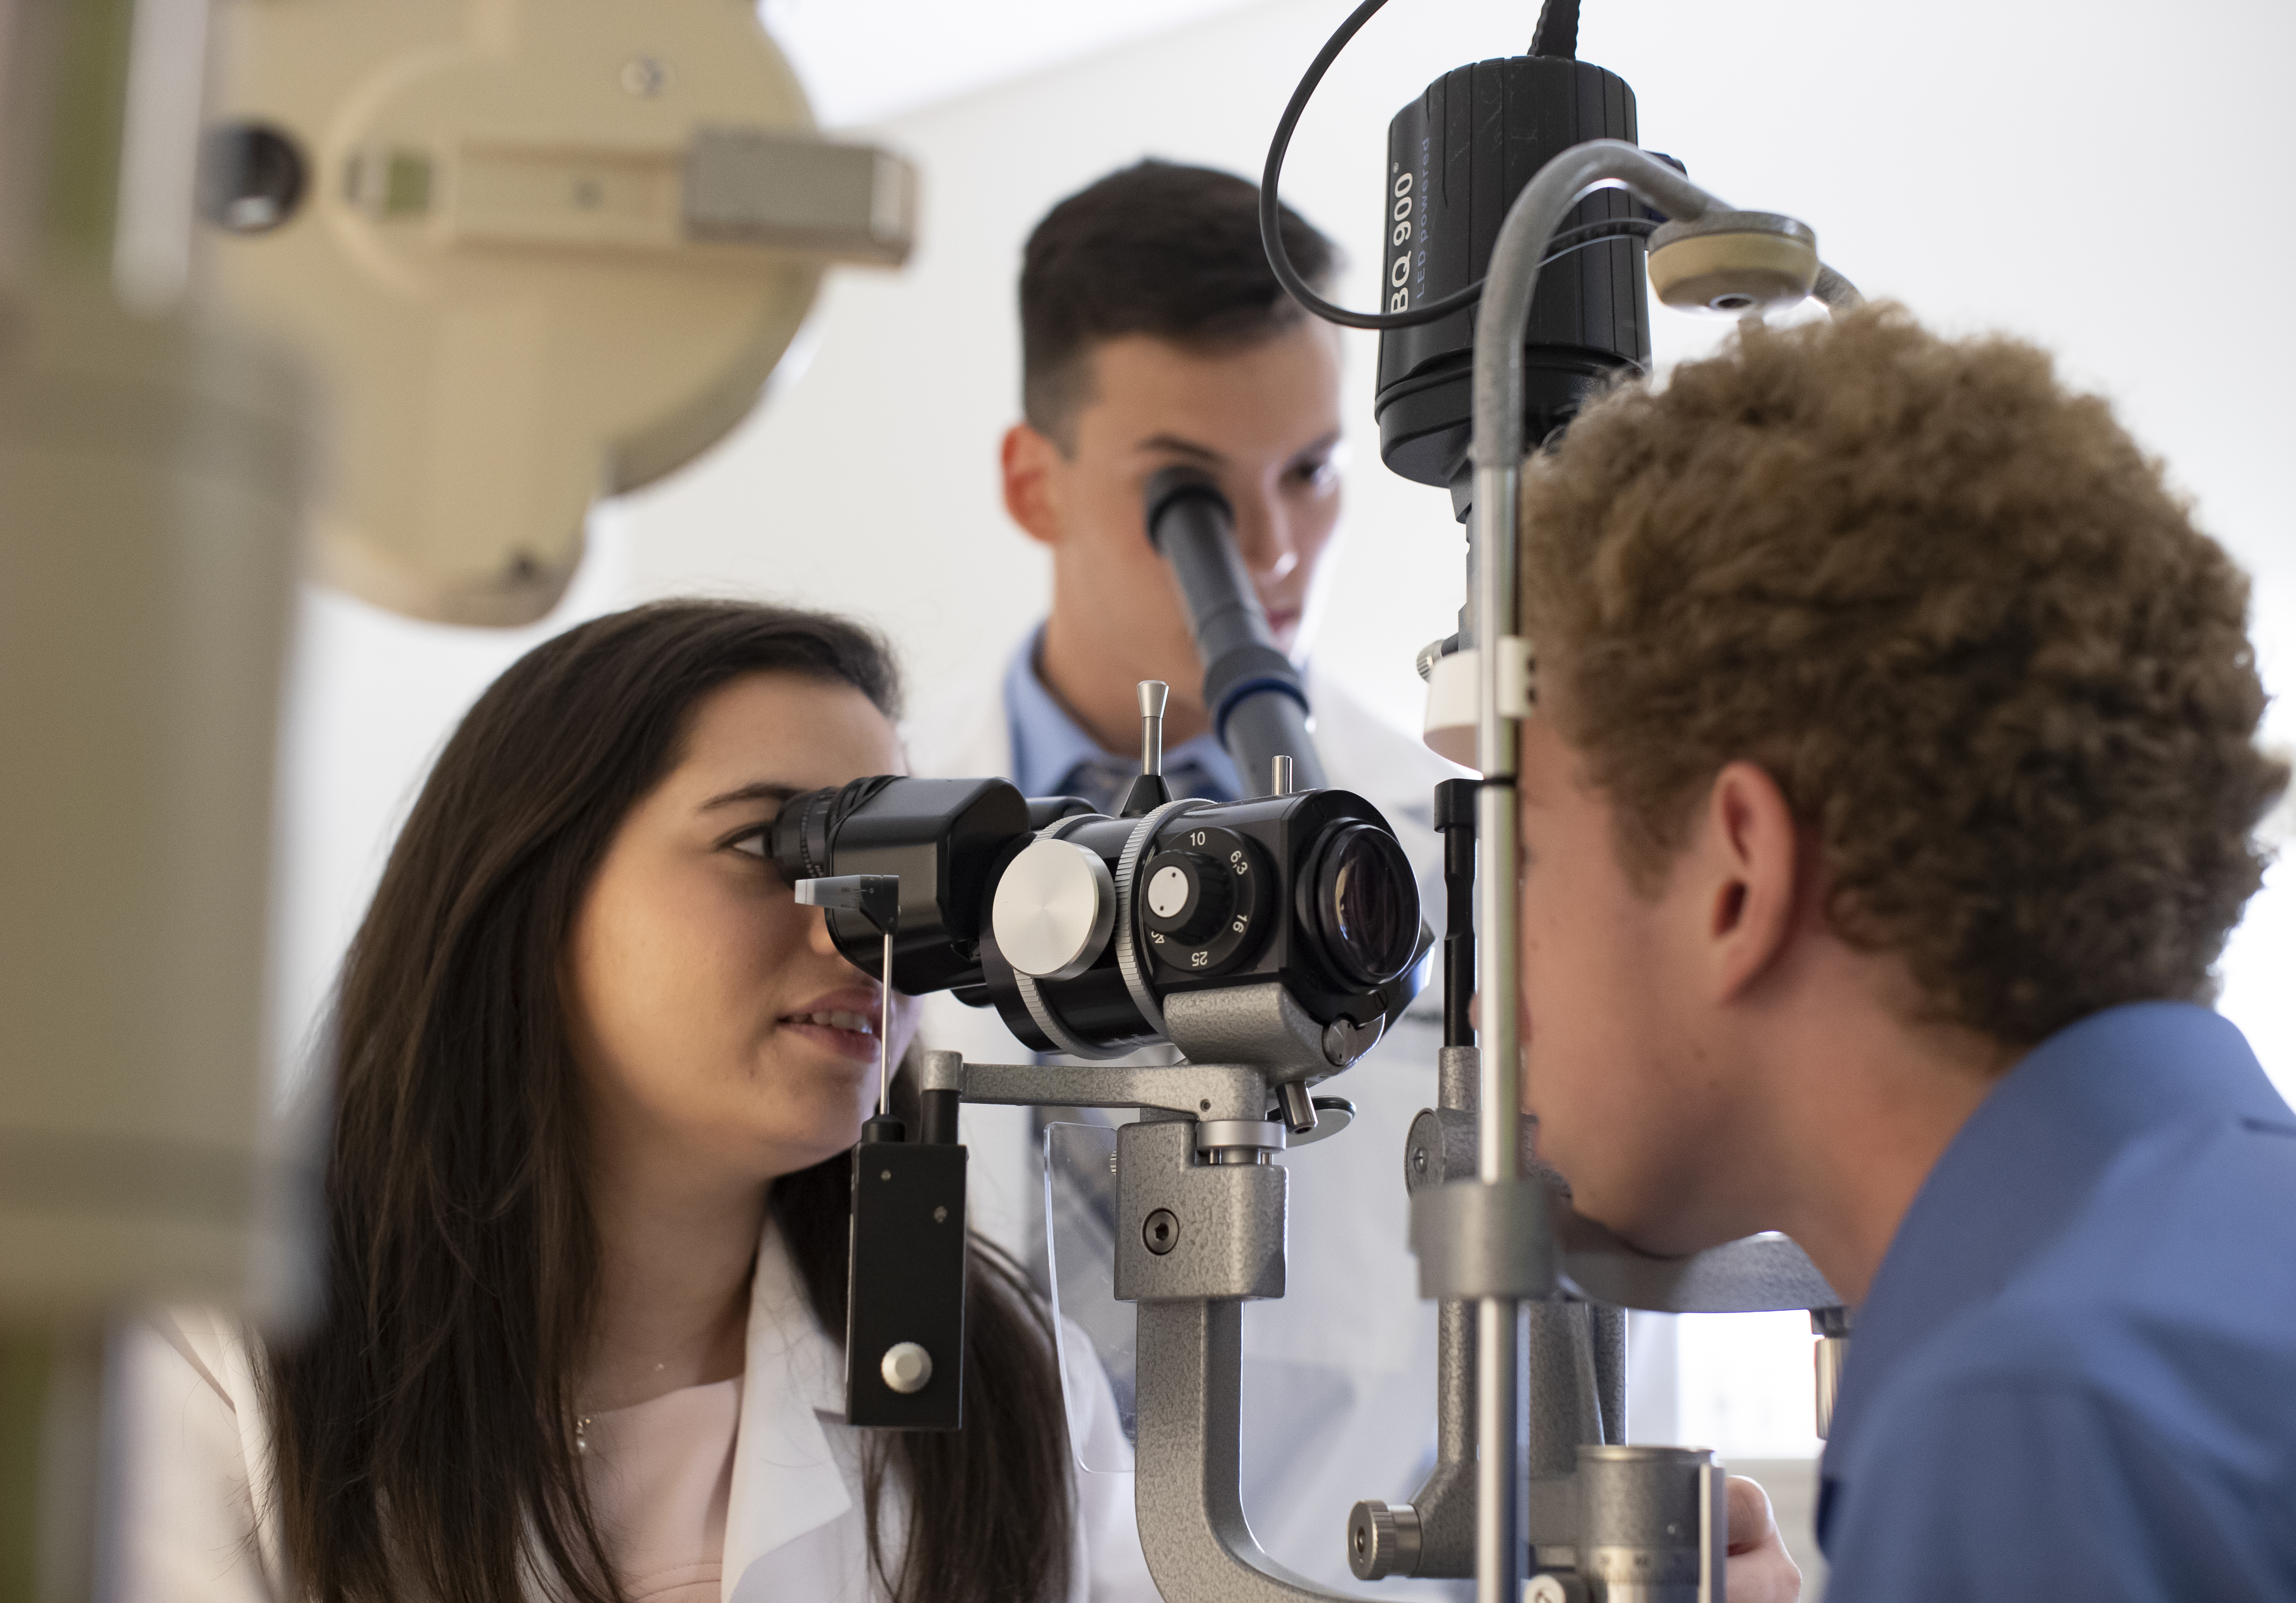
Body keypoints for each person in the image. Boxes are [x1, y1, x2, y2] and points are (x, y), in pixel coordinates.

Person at [114, 601, 1160, 1603]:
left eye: (895, 867)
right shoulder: (210, 1360)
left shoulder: (1013, 1388)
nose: (860, 935)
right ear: (529, 887)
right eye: (775, 847)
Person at [903, 158, 1632, 1593]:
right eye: (1186, 493)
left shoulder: (1463, 845)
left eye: (1310, 473)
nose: (1272, 552)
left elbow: (1573, 1354)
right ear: (1033, 483)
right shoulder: (874, 851)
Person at [1512, 304, 2295, 1598]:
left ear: (1737, 882)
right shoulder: (2213, 1283)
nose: (1496, 969)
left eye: (1532, 852)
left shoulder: (2035, 1424)